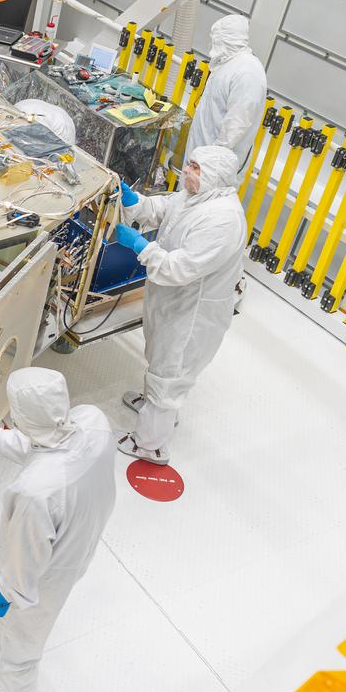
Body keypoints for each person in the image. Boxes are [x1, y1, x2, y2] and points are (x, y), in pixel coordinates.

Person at [0, 367, 117, 692]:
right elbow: (47, 443)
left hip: (52, 563)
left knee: (25, 621)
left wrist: (6, 594)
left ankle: (14, 680)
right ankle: (2, 630)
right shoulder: (91, 419)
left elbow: (24, 565)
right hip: (81, 531)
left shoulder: (36, 494)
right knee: (16, 603)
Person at [110, 145, 247, 464]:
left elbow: (179, 269)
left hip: (193, 314)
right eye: (189, 164)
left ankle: (149, 444)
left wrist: (140, 246)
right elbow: (165, 209)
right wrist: (136, 202)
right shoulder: (196, 195)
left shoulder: (223, 219)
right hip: (173, 301)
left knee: (169, 373)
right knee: (160, 358)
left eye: (196, 168)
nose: (187, 171)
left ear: (214, 174)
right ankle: (153, 408)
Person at [184, 14, 268, 178]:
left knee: (205, 203)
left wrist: (210, 160)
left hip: (214, 167)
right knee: (187, 199)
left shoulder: (248, 72)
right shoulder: (227, 63)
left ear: (229, 39)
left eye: (217, 39)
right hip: (201, 156)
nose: (214, 44)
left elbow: (236, 125)